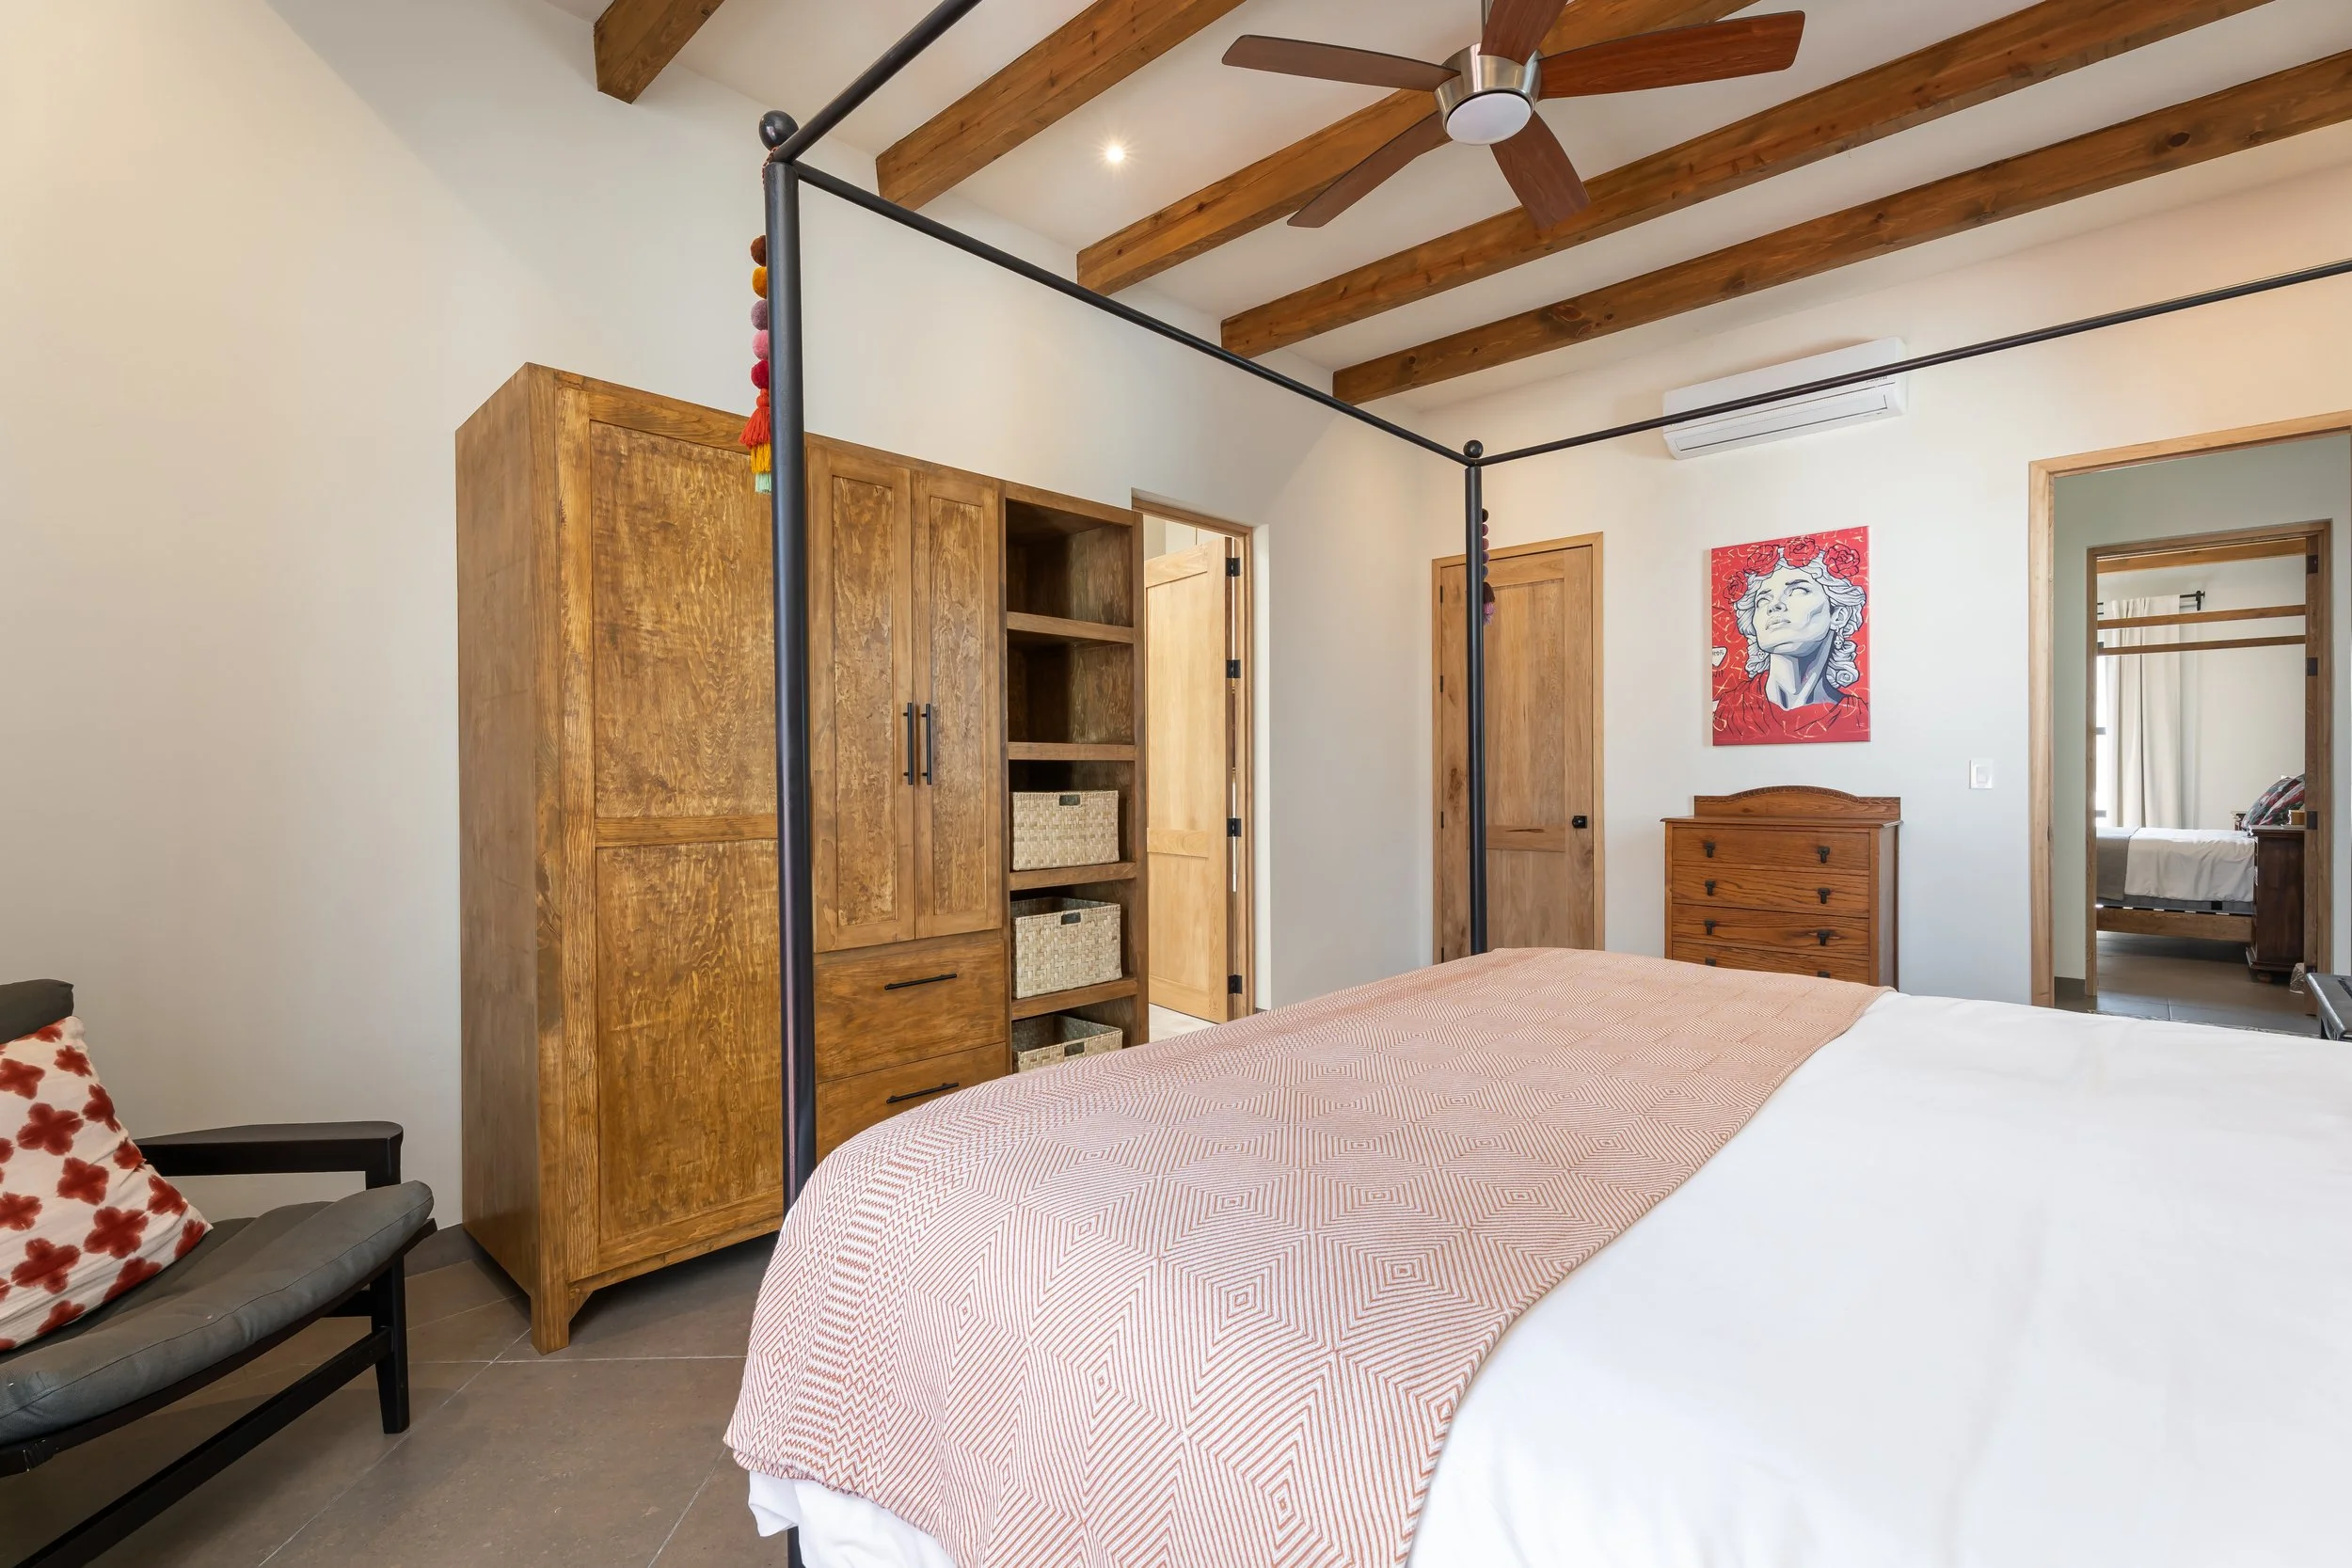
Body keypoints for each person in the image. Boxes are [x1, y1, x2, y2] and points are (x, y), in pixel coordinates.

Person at [1713, 537, 1869, 744]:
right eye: (1763, 599)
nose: (1774, 606)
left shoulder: (1858, 718)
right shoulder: (1722, 712)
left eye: (1798, 590)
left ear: (1838, 615)